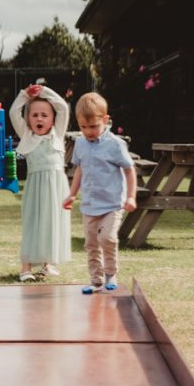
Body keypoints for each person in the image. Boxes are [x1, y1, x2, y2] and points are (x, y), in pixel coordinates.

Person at [63, 92, 137, 294]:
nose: (88, 132)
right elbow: (79, 169)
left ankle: (110, 273)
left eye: (93, 126)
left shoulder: (115, 144)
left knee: (108, 238)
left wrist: (131, 196)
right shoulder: (79, 143)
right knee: (91, 244)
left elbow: (129, 170)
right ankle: (96, 281)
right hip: (89, 205)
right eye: (83, 127)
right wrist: (72, 194)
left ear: (106, 120)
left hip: (112, 204)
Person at [9, 82, 71, 283]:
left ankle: (47, 263)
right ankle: (26, 266)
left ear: (53, 120)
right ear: (28, 119)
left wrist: (44, 92)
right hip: (36, 187)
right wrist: (26, 95)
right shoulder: (27, 136)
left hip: (57, 187)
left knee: (52, 222)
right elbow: (13, 112)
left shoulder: (58, 134)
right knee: (33, 223)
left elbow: (62, 106)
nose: (39, 118)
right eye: (35, 115)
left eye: (45, 115)